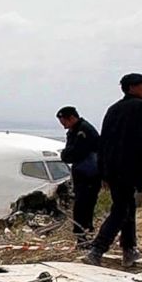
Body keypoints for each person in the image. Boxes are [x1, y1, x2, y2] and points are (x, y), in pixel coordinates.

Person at [85, 73, 142, 268]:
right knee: (121, 209)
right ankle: (97, 249)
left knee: (127, 206)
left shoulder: (113, 109)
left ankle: (129, 249)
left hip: (112, 169)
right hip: (130, 168)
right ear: (132, 88)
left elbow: (103, 143)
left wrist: (103, 172)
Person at [57, 106, 102, 248]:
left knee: (85, 207)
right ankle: (82, 238)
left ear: (71, 118)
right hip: (82, 174)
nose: (63, 125)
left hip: (89, 175)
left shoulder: (83, 131)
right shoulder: (74, 131)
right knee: (82, 207)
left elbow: (74, 153)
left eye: (64, 121)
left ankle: (84, 238)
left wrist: (66, 154)